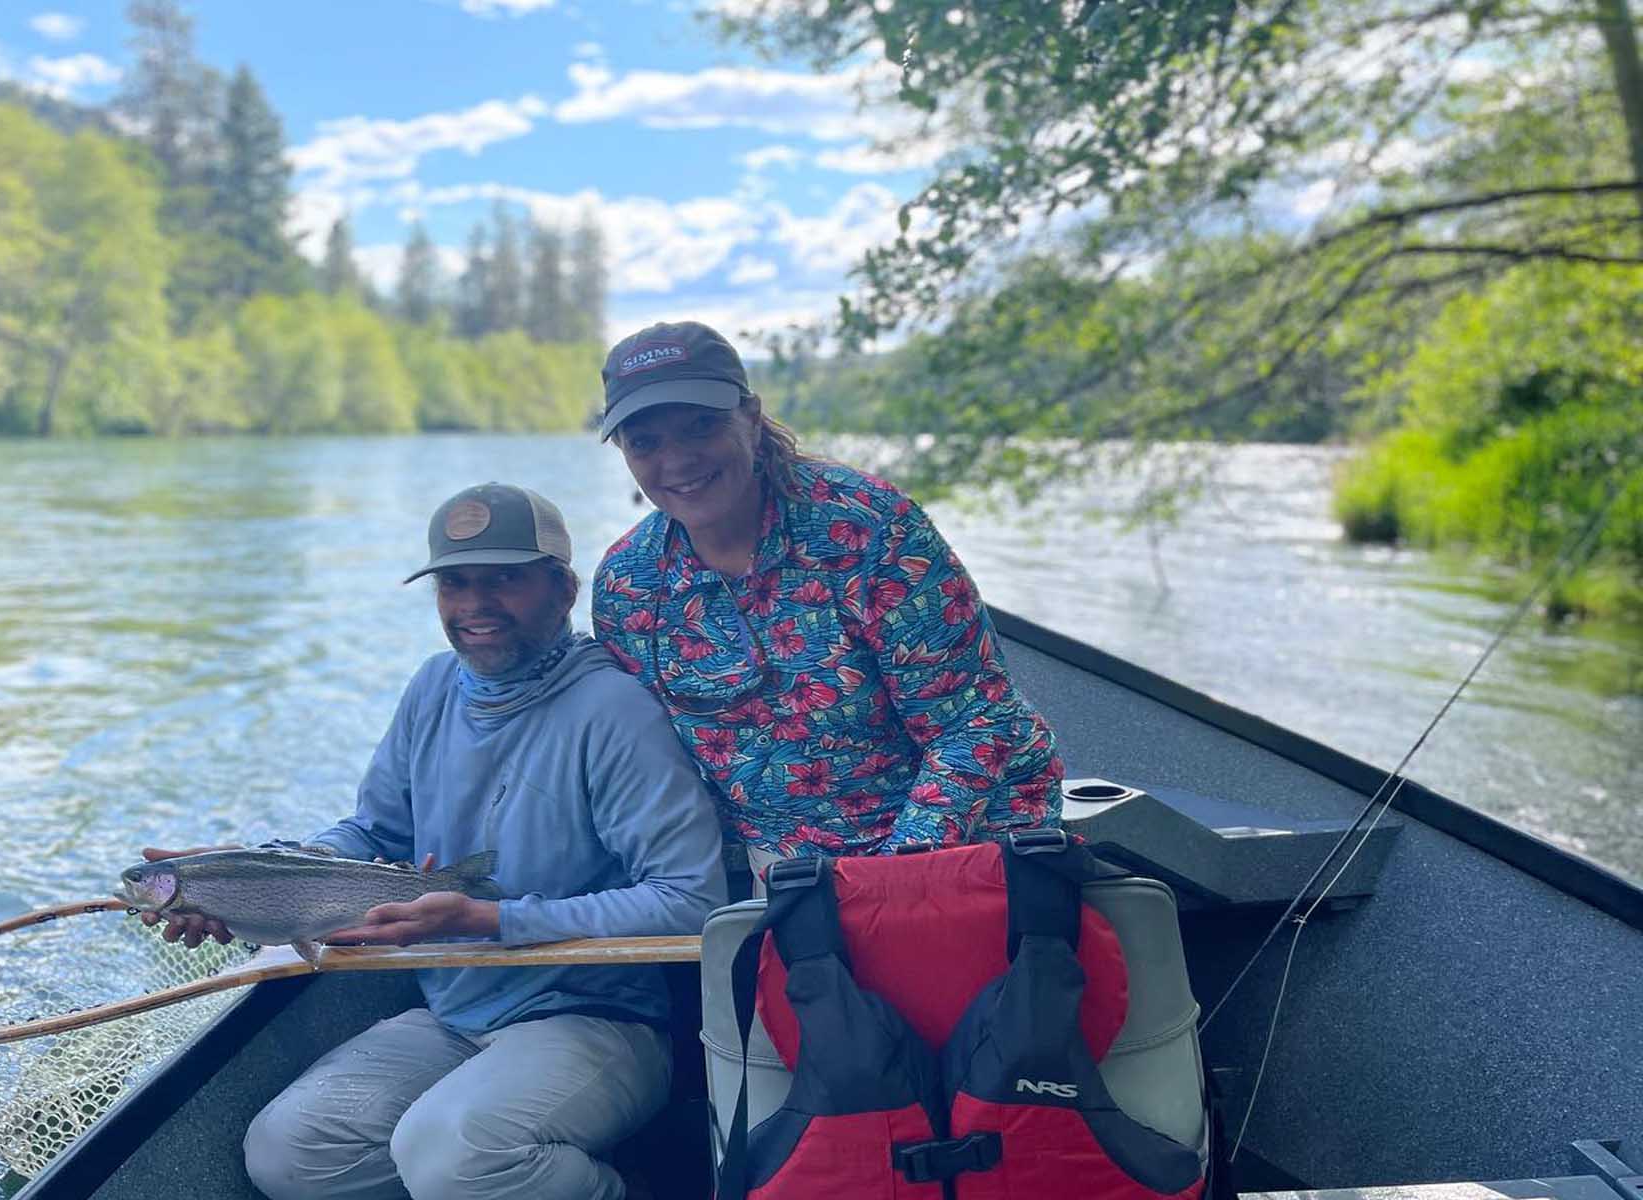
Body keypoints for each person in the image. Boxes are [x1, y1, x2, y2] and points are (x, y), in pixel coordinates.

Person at [138, 481, 727, 1200]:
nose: (475, 605)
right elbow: (373, 831)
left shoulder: (614, 712)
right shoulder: (432, 686)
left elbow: (694, 902)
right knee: (287, 1151)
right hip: (453, 1012)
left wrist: (495, 919)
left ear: (563, 589)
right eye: (454, 582)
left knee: (450, 1155)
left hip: (599, 1024)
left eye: (503, 579)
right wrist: (256, 874)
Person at [590, 321, 1065, 874]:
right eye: (646, 442)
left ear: (750, 416)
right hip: (789, 868)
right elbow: (664, 765)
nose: (677, 460)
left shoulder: (867, 526)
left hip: (971, 831)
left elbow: (977, 720)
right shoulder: (628, 585)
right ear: (624, 449)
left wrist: (896, 874)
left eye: (700, 427)